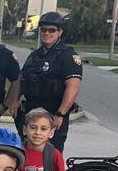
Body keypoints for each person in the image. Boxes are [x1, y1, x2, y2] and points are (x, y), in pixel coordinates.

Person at [17, 12, 83, 152]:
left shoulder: (68, 56)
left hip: (53, 113)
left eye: (52, 30)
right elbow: (21, 79)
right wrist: (14, 101)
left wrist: (60, 114)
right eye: (44, 30)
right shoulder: (35, 55)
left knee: (50, 156)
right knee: (26, 154)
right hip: (30, 112)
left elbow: (73, 87)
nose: (47, 33)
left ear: (60, 32)